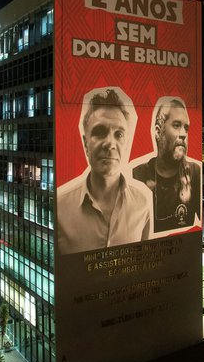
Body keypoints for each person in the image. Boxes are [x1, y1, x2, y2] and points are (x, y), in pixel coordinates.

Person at [57, 87, 152, 255]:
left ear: (127, 143)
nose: (110, 143)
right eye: (100, 132)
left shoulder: (143, 202)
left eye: (119, 134)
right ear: (86, 144)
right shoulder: (59, 206)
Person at [132, 97, 201, 233]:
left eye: (186, 128)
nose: (183, 134)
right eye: (176, 125)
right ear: (158, 131)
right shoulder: (137, 175)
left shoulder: (194, 172)